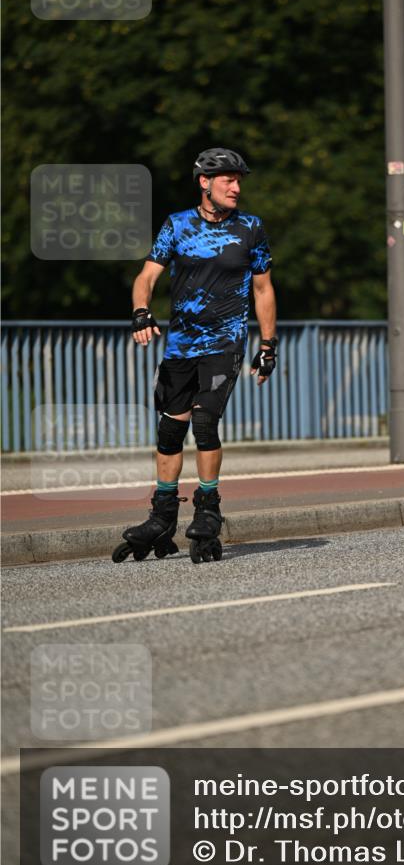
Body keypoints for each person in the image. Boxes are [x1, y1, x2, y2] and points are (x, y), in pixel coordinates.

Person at [112, 147, 278, 564]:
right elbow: (146, 276)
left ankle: (208, 510)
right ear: (204, 182)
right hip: (181, 345)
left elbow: (263, 289)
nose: (236, 187)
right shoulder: (177, 225)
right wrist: (140, 313)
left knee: (205, 421)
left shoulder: (251, 228)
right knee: (170, 431)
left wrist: (268, 346)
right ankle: (162, 515)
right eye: (228, 180)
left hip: (226, 342)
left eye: (240, 180)